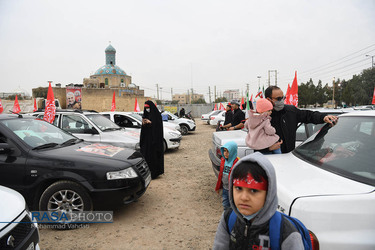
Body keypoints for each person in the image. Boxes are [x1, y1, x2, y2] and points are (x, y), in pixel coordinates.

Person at [213, 152, 304, 249]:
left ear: (269, 192)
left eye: (253, 190)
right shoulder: (228, 219)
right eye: (238, 188)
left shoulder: (286, 232)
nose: (244, 197)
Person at [265, 85, 338, 153]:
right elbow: (254, 141)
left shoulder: (291, 111)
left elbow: (308, 115)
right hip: (268, 159)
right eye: (278, 99)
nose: (281, 101)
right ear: (269, 99)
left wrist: (323, 117)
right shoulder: (261, 117)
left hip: (288, 158)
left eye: (283, 98)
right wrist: (268, 148)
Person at [140, 101, 164, 179]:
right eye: (146, 108)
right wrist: (144, 123)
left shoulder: (157, 115)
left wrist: (151, 123)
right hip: (147, 141)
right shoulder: (145, 115)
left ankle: (154, 173)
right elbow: (143, 130)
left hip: (154, 141)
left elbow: (158, 128)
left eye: (148, 108)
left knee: (154, 157)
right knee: (146, 156)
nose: (147, 109)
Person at [215, 141, 239, 210]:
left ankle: (233, 219)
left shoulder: (236, 162)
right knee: (225, 204)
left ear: (233, 151)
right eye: (224, 151)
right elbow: (220, 175)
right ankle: (226, 218)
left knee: (234, 206)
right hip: (225, 188)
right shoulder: (223, 161)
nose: (225, 153)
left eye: (228, 151)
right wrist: (218, 187)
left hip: (233, 190)